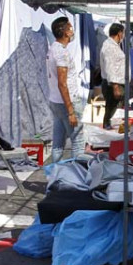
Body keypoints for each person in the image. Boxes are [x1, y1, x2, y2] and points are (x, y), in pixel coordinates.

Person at [47, 16, 86, 163]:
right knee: (77, 141)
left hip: (56, 101)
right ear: (65, 32)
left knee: (58, 143)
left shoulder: (53, 49)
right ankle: (80, 177)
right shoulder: (61, 52)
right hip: (66, 102)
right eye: (70, 28)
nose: (72, 31)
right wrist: (71, 111)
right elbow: (62, 83)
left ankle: (54, 175)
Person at [99, 23, 126, 129]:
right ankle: (108, 126)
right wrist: (115, 87)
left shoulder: (112, 45)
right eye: (123, 33)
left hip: (115, 83)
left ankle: (109, 125)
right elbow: (110, 67)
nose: (123, 36)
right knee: (112, 108)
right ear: (119, 33)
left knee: (113, 108)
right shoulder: (110, 47)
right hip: (113, 84)